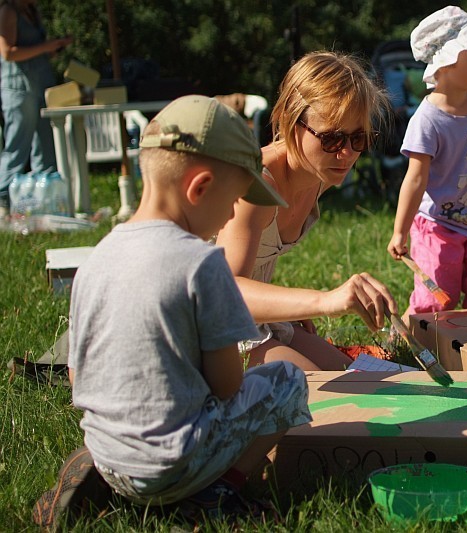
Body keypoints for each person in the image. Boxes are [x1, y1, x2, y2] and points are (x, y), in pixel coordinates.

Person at [33, 95, 311, 527]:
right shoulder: (202, 264)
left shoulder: (97, 259)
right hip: (174, 462)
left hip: (109, 454)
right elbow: (226, 384)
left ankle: (107, 481)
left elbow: (75, 373)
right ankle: (217, 493)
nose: (230, 216)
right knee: (287, 381)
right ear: (199, 188)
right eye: (235, 200)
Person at [215, 51, 398, 371]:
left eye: (359, 138)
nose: (347, 153)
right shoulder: (256, 185)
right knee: (322, 395)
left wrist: (285, 304)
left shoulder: (318, 173)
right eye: (331, 138)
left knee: (357, 377)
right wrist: (324, 301)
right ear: (290, 120)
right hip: (214, 328)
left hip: (257, 319)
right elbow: (227, 295)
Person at [386, 6, 467, 322]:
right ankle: (411, 333)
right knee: (437, 296)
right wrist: (399, 232)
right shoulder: (428, 120)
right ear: (445, 63)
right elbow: (415, 180)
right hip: (438, 224)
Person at [0, 0, 72, 215]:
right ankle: (3, 199)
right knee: (18, 144)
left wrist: (54, 48)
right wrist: (44, 47)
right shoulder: (7, 11)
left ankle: (45, 200)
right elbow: (8, 53)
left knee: (45, 143)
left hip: (42, 83)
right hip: (19, 87)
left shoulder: (32, 11)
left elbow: (35, 49)